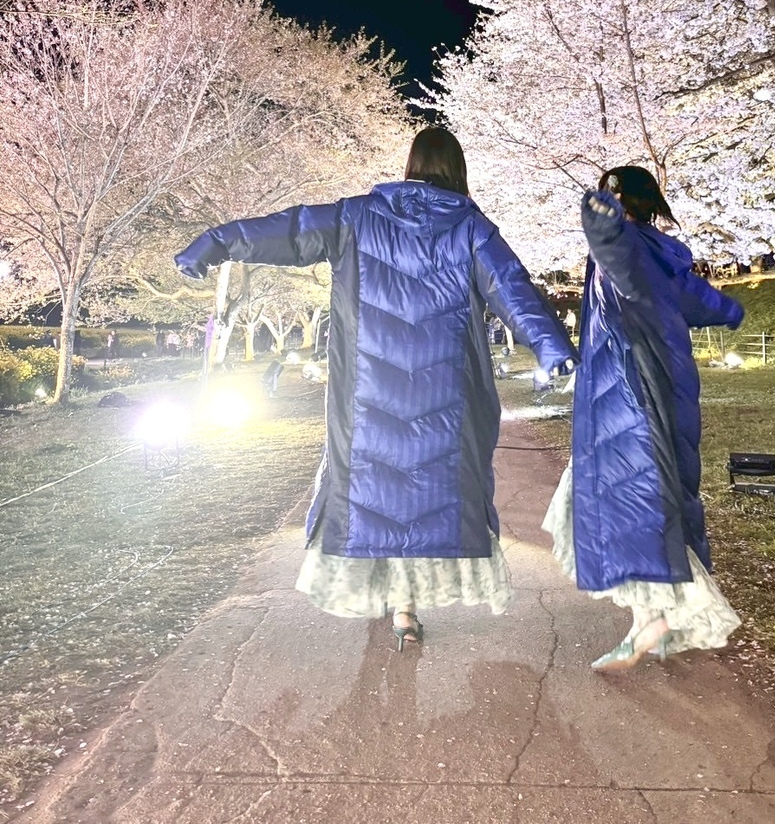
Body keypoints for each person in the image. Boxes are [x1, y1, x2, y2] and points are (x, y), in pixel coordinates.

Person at [174, 127, 576, 651]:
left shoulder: (356, 217)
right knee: (430, 496)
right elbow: (512, 289)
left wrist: (216, 242)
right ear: (458, 171)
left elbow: (291, 231)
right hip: (445, 394)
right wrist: (552, 347)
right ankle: (407, 606)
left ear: (411, 166)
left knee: (376, 494)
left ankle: (397, 603)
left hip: (370, 393)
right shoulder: (472, 228)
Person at [543, 165, 744, 672]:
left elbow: (615, 251)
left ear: (620, 202)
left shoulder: (624, 245)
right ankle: (649, 622)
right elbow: (701, 300)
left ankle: (658, 621)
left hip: (631, 394)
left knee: (628, 504)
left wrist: (602, 220)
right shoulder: (663, 255)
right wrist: (731, 310)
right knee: (652, 500)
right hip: (669, 387)